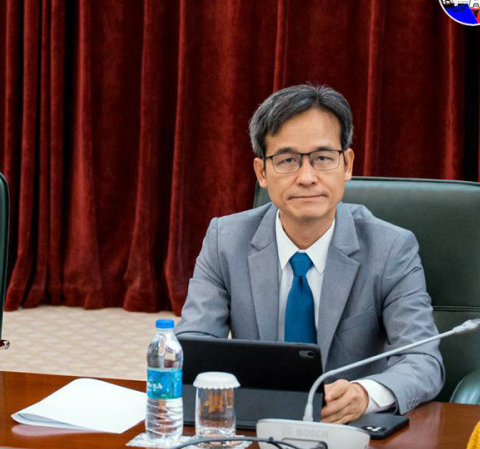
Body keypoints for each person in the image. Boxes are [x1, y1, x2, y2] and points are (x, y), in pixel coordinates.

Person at [177, 84, 443, 423]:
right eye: (287, 160)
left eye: (323, 158)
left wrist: (365, 394)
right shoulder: (225, 240)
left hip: (350, 432)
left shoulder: (391, 248)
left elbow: (422, 359)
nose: (306, 177)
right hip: (255, 423)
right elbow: (193, 344)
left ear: (347, 165)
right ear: (262, 172)